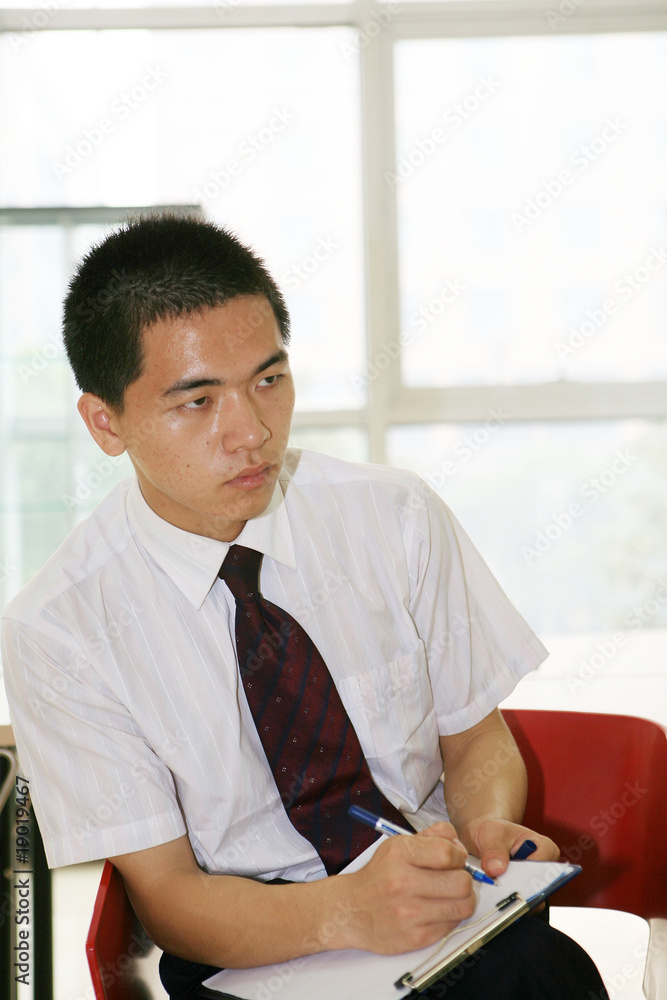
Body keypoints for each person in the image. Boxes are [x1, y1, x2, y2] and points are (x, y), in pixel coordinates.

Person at [1, 214, 608, 1000]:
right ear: (105, 423)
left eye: (268, 380)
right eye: (196, 402)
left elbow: (474, 743)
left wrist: (483, 828)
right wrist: (342, 915)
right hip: (248, 949)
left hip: (438, 899)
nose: (250, 432)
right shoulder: (60, 628)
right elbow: (171, 898)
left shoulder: (391, 517)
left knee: (542, 976)